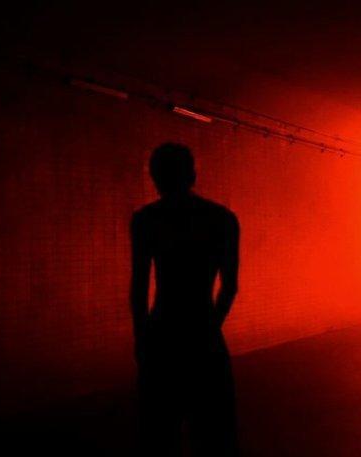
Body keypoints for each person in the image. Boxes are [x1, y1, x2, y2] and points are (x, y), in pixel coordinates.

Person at [130, 143, 240, 457]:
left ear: (156, 177)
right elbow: (229, 287)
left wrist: (142, 338)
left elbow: (139, 288)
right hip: (204, 331)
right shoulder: (222, 219)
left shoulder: (146, 220)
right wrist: (210, 326)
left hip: (162, 332)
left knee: (160, 434)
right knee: (213, 434)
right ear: (191, 175)